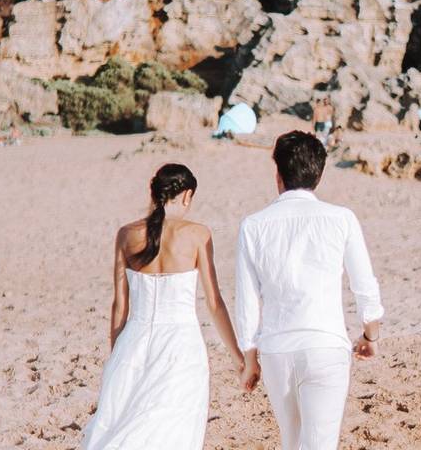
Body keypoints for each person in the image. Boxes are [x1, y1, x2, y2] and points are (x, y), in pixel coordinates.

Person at [235, 131, 384, 450]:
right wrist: (369, 335)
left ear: (278, 173)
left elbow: (247, 299)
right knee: (321, 443)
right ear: (319, 173)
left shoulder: (253, 225)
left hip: (277, 348)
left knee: (292, 441)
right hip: (325, 344)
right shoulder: (341, 218)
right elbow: (364, 285)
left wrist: (250, 358)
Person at [82, 164, 243, 450]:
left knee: (124, 420)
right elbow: (215, 302)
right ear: (186, 195)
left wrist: (117, 355)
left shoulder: (126, 234)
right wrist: (238, 358)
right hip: (180, 345)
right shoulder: (198, 234)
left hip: (134, 340)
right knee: (173, 427)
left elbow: (120, 304)